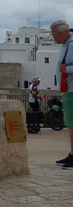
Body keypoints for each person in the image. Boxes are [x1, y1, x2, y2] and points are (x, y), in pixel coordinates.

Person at [50, 20, 73, 170]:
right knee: (70, 123)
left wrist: (66, 70)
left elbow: (66, 67)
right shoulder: (66, 45)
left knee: (72, 123)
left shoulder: (71, 44)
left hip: (72, 89)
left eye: (56, 35)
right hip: (68, 89)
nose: (54, 38)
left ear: (65, 32)